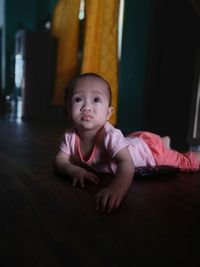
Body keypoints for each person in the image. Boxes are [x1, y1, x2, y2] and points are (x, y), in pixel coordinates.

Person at [54, 73, 200, 213]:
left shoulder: (109, 136)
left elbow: (126, 163)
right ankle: (163, 141)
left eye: (96, 100)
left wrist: (116, 189)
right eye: (78, 99)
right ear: (67, 109)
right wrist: (73, 170)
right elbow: (60, 160)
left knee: (185, 162)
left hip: (150, 153)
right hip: (133, 141)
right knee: (128, 143)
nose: (87, 107)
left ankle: (178, 150)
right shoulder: (70, 136)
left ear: (108, 113)